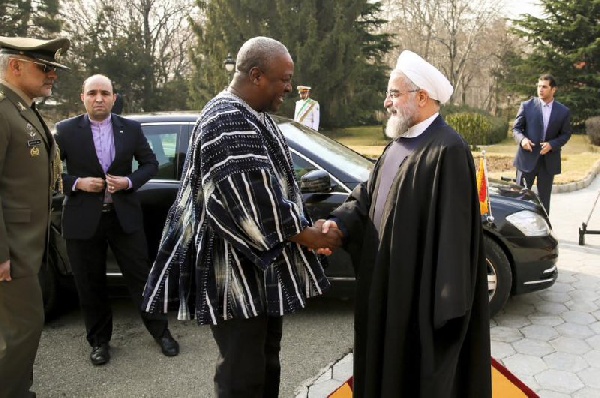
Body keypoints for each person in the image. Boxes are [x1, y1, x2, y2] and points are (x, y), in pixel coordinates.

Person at [141, 37, 340, 397]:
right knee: (242, 376)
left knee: (263, 363)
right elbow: (254, 205)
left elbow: (277, 186)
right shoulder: (228, 120)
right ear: (257, 75)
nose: (289, 88)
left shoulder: (250, 115)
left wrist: (307, 225)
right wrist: (311, 235)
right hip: (235, 276)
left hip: (256, 273)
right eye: (284, 79)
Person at [320, 50, 492, 397]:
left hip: (416, 308)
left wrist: (444, 314)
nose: (387, 102)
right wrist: (338, 226)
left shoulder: (448, 150)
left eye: (394, 94)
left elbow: (455, 241)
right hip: (383, 295)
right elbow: (365, 198)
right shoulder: (398, 145)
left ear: (422, 97)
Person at [54, 74, 179, 366]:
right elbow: (48, 173)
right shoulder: (66, 131)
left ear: (114, 97)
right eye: (93, 93)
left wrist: (128, 181)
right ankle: (99, 342)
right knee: (90, 284)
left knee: (142, 278)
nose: (99, 98)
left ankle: (161, 333)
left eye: (105, 93)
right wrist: (77, 183)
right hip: (83, 221)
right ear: (82, 97)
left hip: (123, 217)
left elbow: (150, 164)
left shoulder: (131, 129)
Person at [0, 35, 69, 398]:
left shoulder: (21, 106)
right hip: (10, 248)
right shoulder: (2, 109)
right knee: (22, 330)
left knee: (20, 329)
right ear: (15, 66)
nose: (52, 76)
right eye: (45, 68)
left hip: (24, 244)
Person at [512, 74, 572, 214]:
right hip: (526, 159)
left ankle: (542, 232)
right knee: (520, 198)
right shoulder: (527, 106)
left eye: (544, 87)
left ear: (553, 90)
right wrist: (523, 140)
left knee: (544, 201)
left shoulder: (563, 111)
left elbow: (566, 134)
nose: (540, 89)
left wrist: (552, 144)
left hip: (548, 162)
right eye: (539, 86)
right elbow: (516, 128)